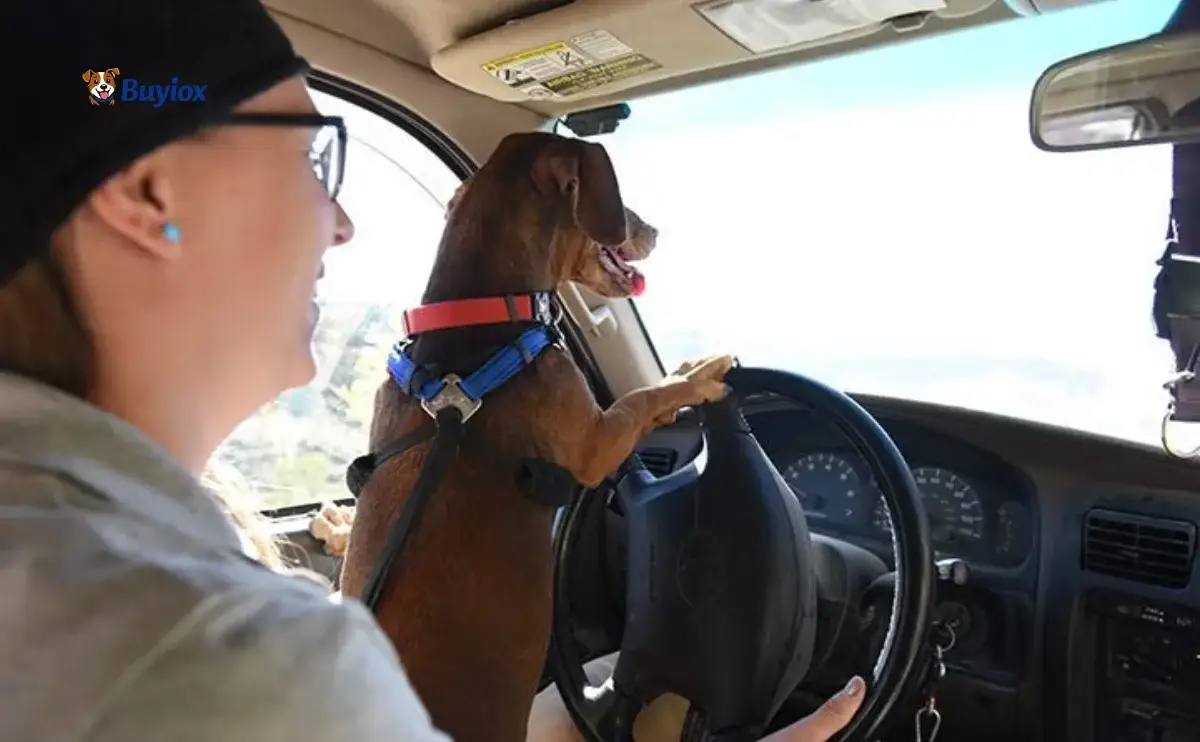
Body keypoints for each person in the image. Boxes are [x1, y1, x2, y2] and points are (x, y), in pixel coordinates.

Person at [0, 1, 864, 740]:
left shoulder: (63, 572)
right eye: (309, 158)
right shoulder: (239, 670)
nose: (338, 223)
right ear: (153, 195)